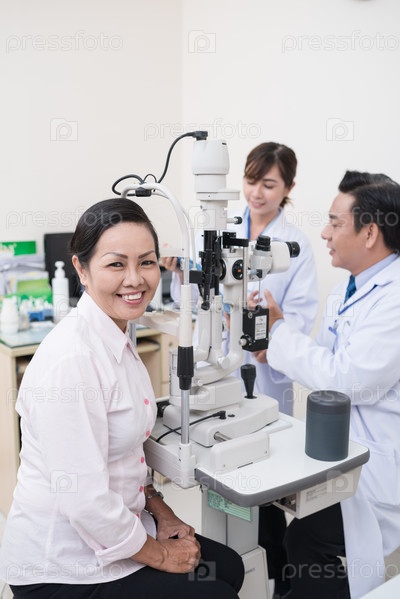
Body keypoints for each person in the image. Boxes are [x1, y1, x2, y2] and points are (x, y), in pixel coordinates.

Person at [0, 198, 244, 599]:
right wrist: (161, 555)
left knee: (229, 566)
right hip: (63, 566)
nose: (135, 279)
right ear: (81, 269)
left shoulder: (118, 334)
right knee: (215, 593)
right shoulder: (72, 361)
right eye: (116, 264)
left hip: (116, 525)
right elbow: (85, 500)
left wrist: (161, 512)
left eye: (146, 262)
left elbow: (124, 458)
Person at [164, 142, 319, 599]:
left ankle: (277, 580)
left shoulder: (294, 245)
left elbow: (299, 317)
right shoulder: (221, 226)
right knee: (224, 483)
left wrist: (269, 327)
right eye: (251, 181)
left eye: (269, 184)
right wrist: (182, 273)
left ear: (288, 187)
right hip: (217, 361)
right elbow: (192, 292)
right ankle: (235, 568)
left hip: (263, 372)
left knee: (264, 490)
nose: (256, 192)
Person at [258, 171, 400, 599]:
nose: (325, 233)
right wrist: (274, 345)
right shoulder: (345, 290)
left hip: (379, 465)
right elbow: (320, 361)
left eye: (336, 223)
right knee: (283, 520)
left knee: (307, 541)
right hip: (339, 448)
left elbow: (346, 380)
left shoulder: (395, 298)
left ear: (370, 233)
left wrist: (279, 333)